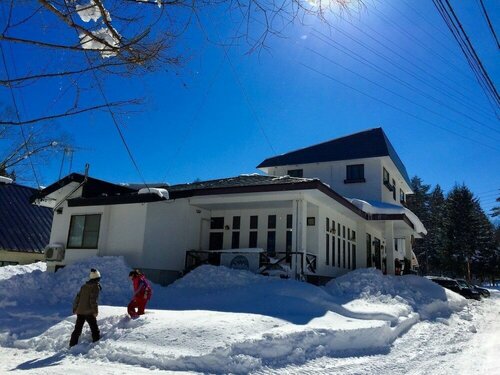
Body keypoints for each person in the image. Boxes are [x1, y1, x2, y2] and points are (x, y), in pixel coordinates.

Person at [69, 268, 101, 347]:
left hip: (80, 311)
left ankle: (72, 345)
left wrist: (75, 308)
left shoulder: (84, 286)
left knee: (77, 329)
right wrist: (95, 311)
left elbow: (78, 297)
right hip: (88, 311)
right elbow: (92, 300)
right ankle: (96, 345)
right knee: (94, 329)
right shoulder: (95, 286)